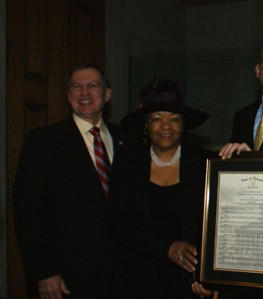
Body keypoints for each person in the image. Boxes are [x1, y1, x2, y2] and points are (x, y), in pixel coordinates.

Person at [13, 63, 136, 299]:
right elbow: (27, 213)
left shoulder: (127, 140)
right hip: (67, 280)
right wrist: (44, 272)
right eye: (76, 87)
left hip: (123, 277)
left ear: (107, 94)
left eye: (93, 86)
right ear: (68, 95)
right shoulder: (42, 142)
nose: (84, 93)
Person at [112, 78, 218, 299]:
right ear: (146, 125)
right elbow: (119, 223)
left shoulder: (206, 164)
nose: (166, 126)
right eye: (157, 119)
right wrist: (165, 247)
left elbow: (219, 226)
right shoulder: (127, 163)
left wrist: (210, 276)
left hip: (191, 283)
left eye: (174, 119)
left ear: (183, 125)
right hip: (138, 282)